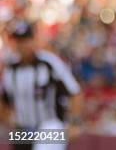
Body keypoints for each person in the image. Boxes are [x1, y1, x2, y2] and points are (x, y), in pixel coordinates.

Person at [1, 21, 83, 150]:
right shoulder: (11, 69)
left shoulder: (49, 63)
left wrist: (74, 123)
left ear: (34, 40)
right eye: (19, 41)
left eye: (26, 40)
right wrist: (7, 122)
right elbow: (4, 100)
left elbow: (75, 92)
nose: (23, 45)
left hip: (50, 126)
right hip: (23, 130)